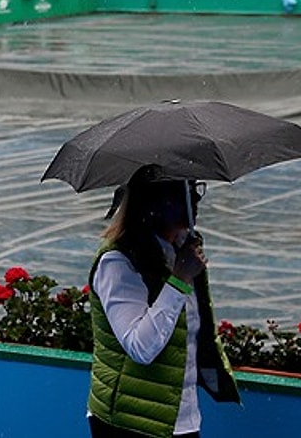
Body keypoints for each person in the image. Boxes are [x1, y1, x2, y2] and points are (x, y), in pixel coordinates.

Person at [87, 165, 240, 438]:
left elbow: (189, 333)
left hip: (179, 416)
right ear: (153, 200)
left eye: (195, 187)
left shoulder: (181, 250)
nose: (194, 198)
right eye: (181, 190)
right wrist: (180, 279)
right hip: (129, 421)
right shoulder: (118, 262)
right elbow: (141, 347)